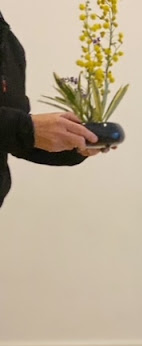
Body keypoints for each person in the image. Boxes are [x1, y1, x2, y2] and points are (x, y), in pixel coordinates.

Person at [0, 10, 106, 209]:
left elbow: (12, 138)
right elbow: (18, 129)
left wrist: (73, 142)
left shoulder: (9, 44)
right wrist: (27, 129)